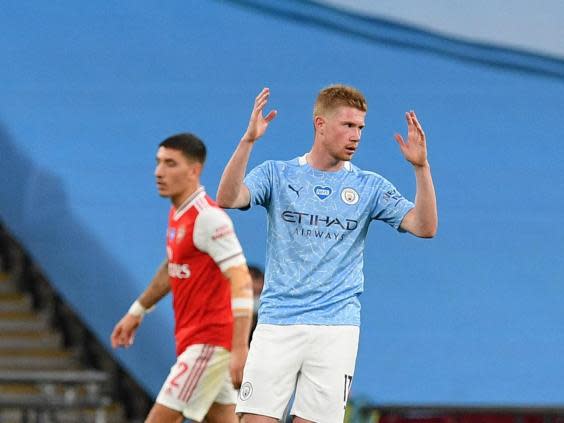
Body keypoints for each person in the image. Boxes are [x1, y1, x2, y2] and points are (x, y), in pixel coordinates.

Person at [216, 85, 438, 423]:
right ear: (320, 124)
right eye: (348, 125)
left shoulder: (370, 186)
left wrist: (421, 168)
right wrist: (248, 142)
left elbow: (425, 226)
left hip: (337, 328)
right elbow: (228, 197)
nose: (356, 136)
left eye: (360, 128)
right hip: (278, 323)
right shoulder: (278, 173)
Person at [111, 133, 254, 423]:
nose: (158, 172)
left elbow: (241, 279)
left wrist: (240, 347)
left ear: (194, 170)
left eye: (170, 164)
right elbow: (172, 266)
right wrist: (137, 311)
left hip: (210, 344)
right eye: (158, 162)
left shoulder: (208, 218)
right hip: (198, 342)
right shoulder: (179, 213)